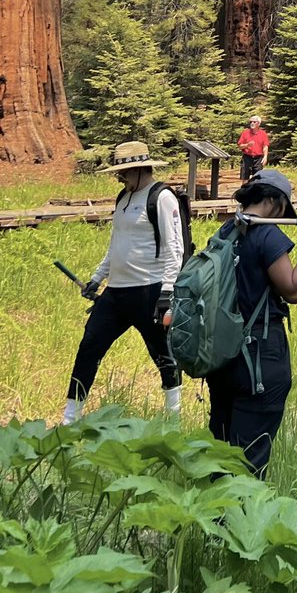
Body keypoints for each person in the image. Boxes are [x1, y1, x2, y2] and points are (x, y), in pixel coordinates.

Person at [207, 169, 297, 478]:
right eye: (284, 208)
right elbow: (292, 289)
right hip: (258, 358)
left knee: (221, 452)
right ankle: (243, 524)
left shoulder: (226, 231)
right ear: (273, 201)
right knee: (249, 462)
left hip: (221, 356)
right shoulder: (267, 234)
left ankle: (214, 521)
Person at [64, 141, 184, 424]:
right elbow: (116, 244)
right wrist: (97, 278)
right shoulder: (123, 197)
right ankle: (70, 418)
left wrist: (167, 291)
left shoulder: (162, 197)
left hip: (150, 290)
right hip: (115, 293)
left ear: (141, 169)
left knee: (163, 354)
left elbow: (174, 247)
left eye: (125, 172)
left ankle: (174, 418)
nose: (120, 177)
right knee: (89, 346)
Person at [237, 116, 270, 180]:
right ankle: (244, 190)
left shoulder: (263, 134)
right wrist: (247, 145)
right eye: (251, 122)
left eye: (254, 122)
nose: (252, 123)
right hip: (247, 157)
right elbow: (240, 146)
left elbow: (265, 146)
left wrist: (265, 157)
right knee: (245, 178)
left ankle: (255, 190)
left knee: (257, 178)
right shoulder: (245, 133)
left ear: (259, 124)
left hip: (258, 158)